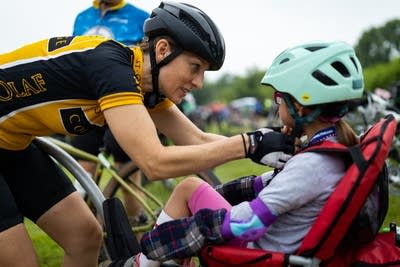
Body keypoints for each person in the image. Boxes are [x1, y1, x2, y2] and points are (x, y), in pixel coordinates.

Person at [0, 2, 294, 266]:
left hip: (12, 144)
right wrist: (247, 144)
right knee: (20, 261)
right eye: (195, 67)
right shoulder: (112, 68)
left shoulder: (143, 85)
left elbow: (198, 140)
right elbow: (155, 163)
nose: (199, 82)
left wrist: (272, 142)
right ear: (163, 50)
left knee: (85, 236)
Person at [131, 40, 365, 267]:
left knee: (188, 187)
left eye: (279, 98)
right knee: (193, 189)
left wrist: (177, 235)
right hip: (281, 246)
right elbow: (263, 186)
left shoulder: (310, 166)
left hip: (259, 253)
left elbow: (251, 221)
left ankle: (143, 264)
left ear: (300, 106)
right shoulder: (332, 149)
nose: (277, 105)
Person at [71, 0, 150, 223]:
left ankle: (139, 246)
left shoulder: (140, 18)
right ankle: (93, 241)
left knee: (128, 181)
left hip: (122, 107)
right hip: (86, 107)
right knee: (82, 181)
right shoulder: (82, 17)